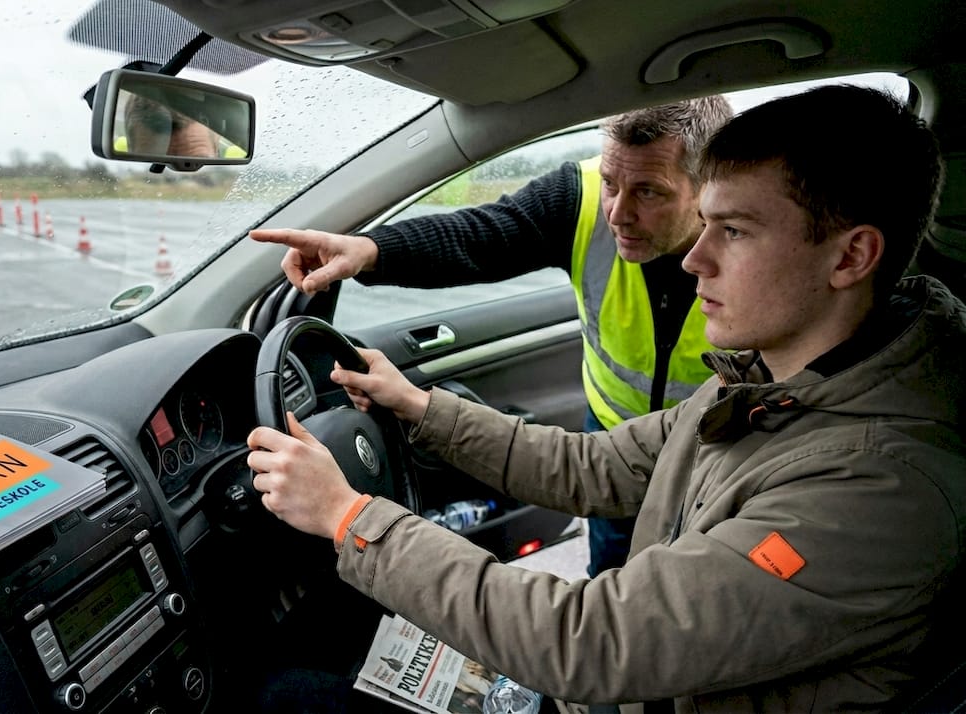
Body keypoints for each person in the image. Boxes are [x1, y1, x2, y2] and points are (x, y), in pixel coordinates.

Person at [247, 84, 965, 711]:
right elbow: (597, 468)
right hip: (632, 687)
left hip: (616, 681)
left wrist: (348, 518)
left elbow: (592, 642)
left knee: (286, 696)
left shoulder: (879, 486)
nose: (694, 258)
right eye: (707, 222)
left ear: (850, 256)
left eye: (735, 232)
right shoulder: (768, 382)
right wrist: (419, 408)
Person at [250, 96, 733, 577]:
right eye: (612, 182)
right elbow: (483, 234)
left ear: (707, 186)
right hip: (608, 442)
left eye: (648, 192)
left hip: (719, 454)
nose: (618, 213)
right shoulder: (581, 197)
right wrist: (369, 250)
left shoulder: (757, 250)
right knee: (611, 571)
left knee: (692, 591)